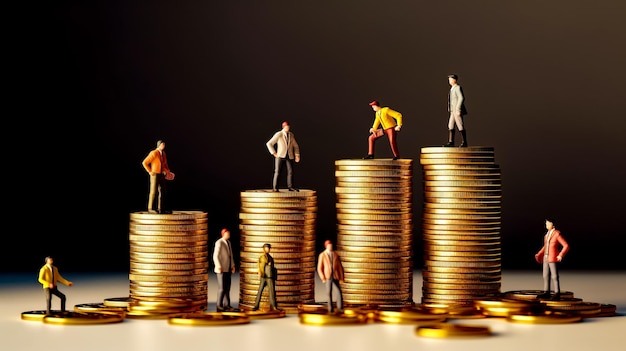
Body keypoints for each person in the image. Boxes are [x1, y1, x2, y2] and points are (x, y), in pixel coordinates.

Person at [534, 218, 570, 299]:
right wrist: (539, 253)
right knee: (545, 275)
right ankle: (546, 292)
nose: (546, 225)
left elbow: (566, 245)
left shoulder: (557, 234)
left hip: (552, 257)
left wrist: (560, 255)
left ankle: (557, 293)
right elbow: (545, 246)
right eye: (546, 223)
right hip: (545, 257)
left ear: (553, 225)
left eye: (548, 224)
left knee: (554, 276)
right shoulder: (546, 235)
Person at [141, 139, 174, 214]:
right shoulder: (154, 153)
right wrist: (150, 171)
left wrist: (168, 172)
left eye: (164, 144)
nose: (163, 146)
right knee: (153, 191)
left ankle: (161, 209)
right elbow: (144, 162)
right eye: (162, 144)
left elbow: (165, 164)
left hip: (162, 174)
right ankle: (150, 208)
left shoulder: (163, 153)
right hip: (155, 174)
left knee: (162, 191)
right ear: (159, 145)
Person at [266, 121, 301, 192]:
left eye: (288, 126)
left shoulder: (291, 135)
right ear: (283, 127)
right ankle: (275, 187)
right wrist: (274, 153)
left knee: (290, 171)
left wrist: (297, 155)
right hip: (280, 156)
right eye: (286, 126)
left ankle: (290, 187)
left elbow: (296, 146)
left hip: (289, 156)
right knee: (277, 171)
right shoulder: (279, 134)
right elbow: (269, 143)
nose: (288, 128)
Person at [317, 240, 344, 313]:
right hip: (328, 276)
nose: (331, 246)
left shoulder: (336, 254)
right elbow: (319, 268)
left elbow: (340, 267)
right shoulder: (322, 255)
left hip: (335, 276)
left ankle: (340, 307)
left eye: (331, 245)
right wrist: (322, 277)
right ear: (326, 246)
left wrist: (341, 277)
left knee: (339, 291)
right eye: (329, 245)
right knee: (329, 293)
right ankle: (330, 309)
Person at [213, 228, 236, 312]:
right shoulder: (219, 242)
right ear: (223, 234)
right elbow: (215, 256)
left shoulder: (228, 242)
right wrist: (218, 265)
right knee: (221, 288)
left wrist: (232, 265)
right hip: (221, 269)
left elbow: (231, 256)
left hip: (228, 268)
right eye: (227, 234)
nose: (229, 235)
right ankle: (219, 305)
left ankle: (227, 305)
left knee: (227, 288)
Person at [444, 74, 468, 147]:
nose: (449, 81)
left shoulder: (457, 88)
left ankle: (464, 142)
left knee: (460, 125)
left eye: (450, 79)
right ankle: (451, 142)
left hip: (456, 110)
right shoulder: (452, 89)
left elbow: (461, 98)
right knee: (450, 125)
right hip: (452, 111)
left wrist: (458, 108)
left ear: (454, 80)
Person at [252, 243, 279, 311]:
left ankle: (273, 306)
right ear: (264, 249)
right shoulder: (262, 257)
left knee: (272, 292)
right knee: (260, 291)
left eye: (269, 248)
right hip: (264, 276)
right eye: (267, 248)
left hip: (270, 276)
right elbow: (260, 265)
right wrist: (260, 272)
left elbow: (272, 267)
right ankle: (256, 306)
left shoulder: (271, 258)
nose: (268, 249)